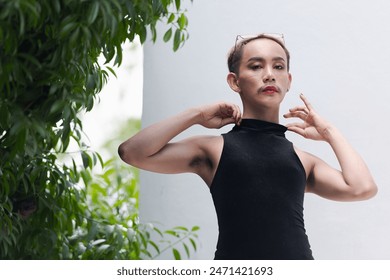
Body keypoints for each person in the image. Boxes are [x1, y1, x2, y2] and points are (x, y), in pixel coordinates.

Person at [118, 34, 377, 260]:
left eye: (278, 66)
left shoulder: (302, 160)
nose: (269, 74)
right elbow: (132, 152)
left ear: (288, 80)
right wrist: (196, 114)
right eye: (255, 66)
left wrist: (329, 133)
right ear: (234, 81)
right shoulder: (213, 149)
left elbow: (362, 188)